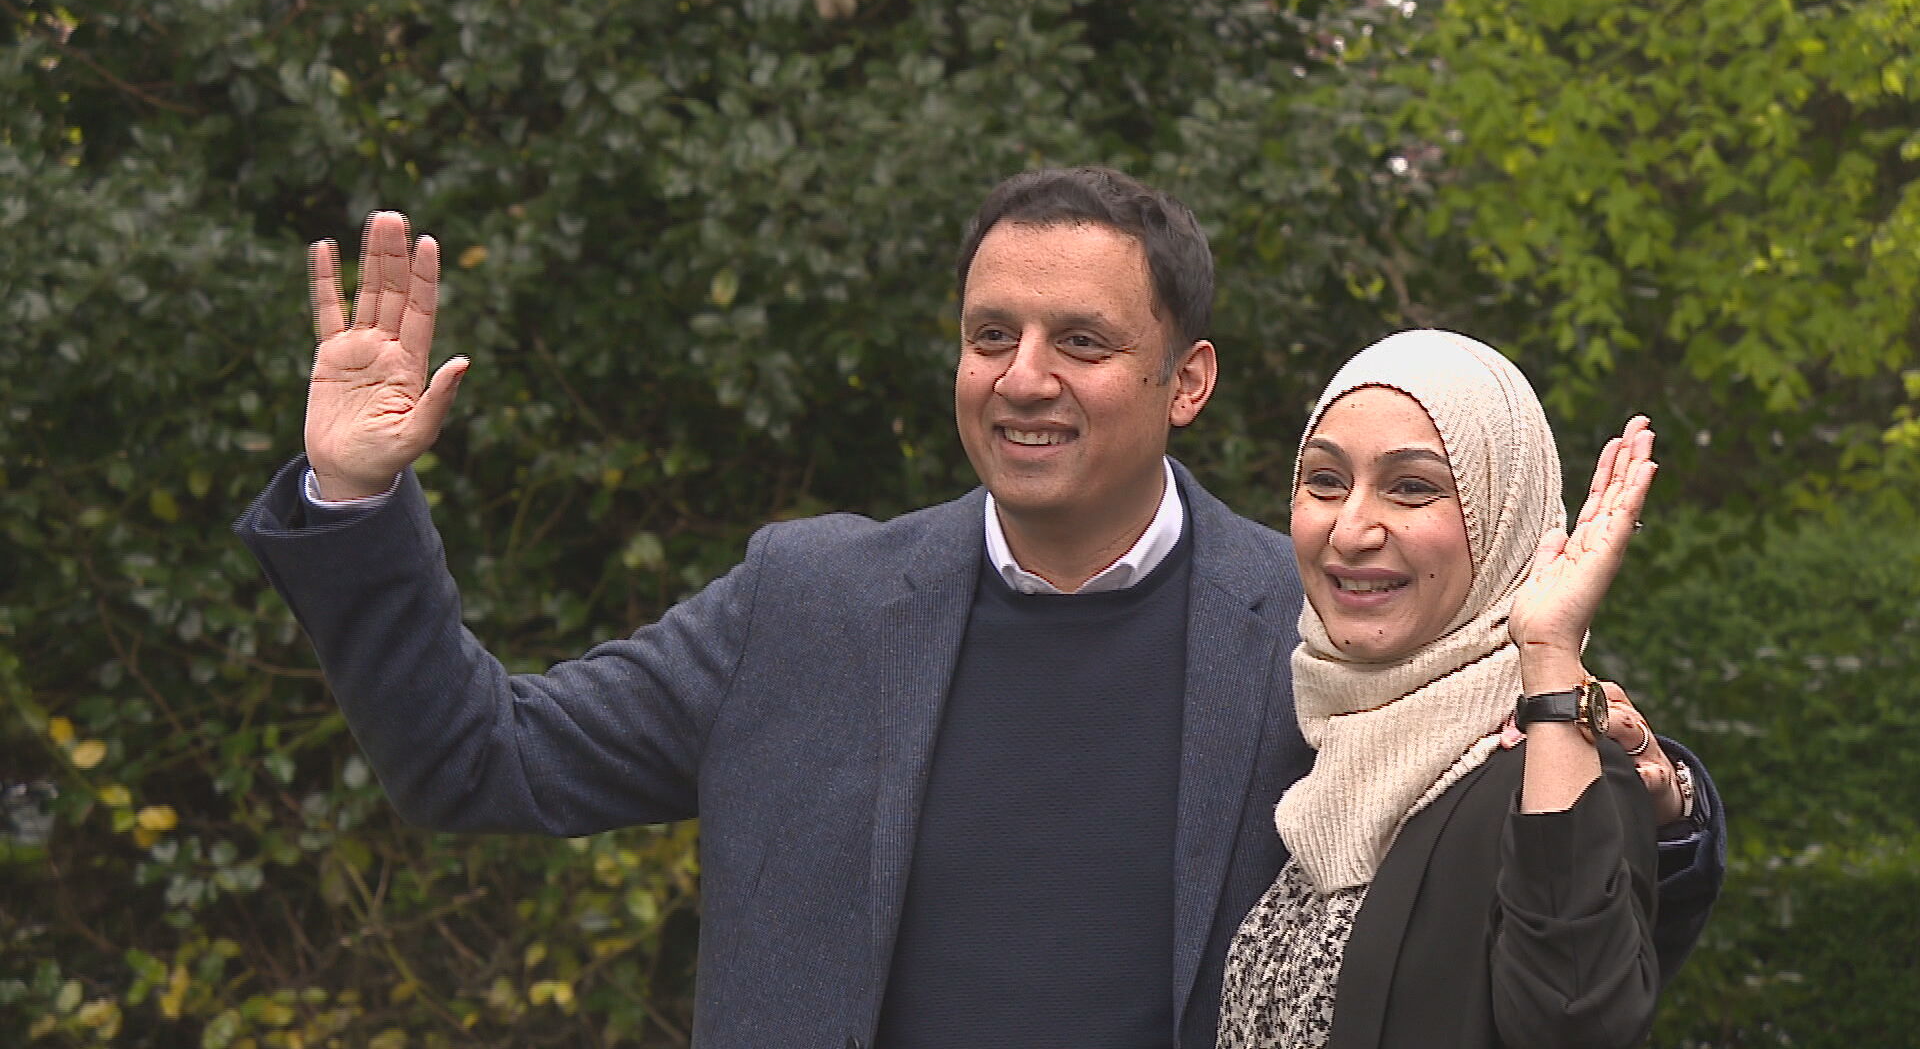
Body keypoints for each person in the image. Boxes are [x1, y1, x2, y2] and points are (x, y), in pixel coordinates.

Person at [235, 167, 1723, 1048]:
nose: (1023, 376)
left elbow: (1553, 849)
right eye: (990, 334)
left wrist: (1662, 797)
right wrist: (357, 502)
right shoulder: (804, 602)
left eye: (1082, 340)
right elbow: (472, 761)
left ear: (1184, 382)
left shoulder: (1322, 617)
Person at [1217, 330, 1670, 1049]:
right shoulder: (1317, 753)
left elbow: (1579, 1027)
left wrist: (1548, 656)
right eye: (1326, 481)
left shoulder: (1555, 772)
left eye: (1412, 487)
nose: (1352, 528)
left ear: (1503, 515)